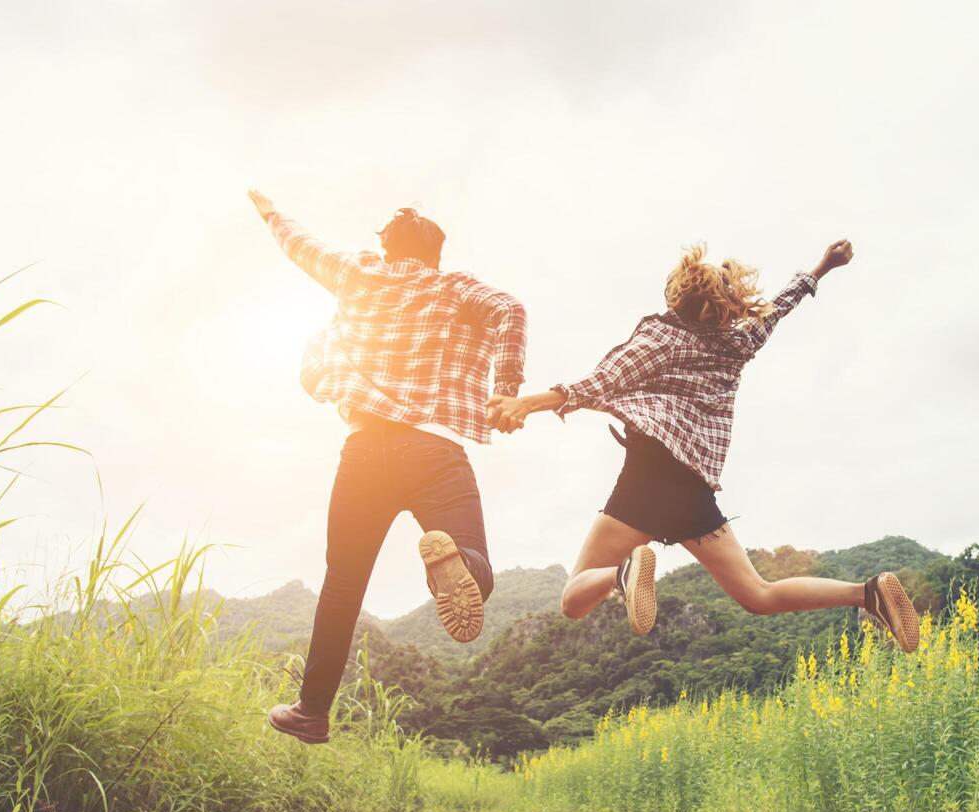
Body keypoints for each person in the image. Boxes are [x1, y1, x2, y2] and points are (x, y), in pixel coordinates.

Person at [485, 240, 919, 652]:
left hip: (649, 476)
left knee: (572, 601)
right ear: (724, 306)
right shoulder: (738, 343)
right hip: (694, 490)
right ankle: (867, 593)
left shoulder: (663, 336)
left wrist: (526, 403)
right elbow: (778, 309)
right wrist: (822, 268)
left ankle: (622, 573)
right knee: (758, 595)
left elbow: (602, 382)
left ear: (677, 297)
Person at [249, 190, 527, 744]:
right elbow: (510, 310)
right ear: (436, 254)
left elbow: (300, 246)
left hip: (364, 451)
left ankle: (311, 710)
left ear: (387, 245)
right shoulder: (454, 287)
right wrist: (507, 387)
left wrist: (269, 212)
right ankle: (460, 564)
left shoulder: (360, 274)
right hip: (436, 450)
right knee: (478, 566)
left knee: (342, 585)